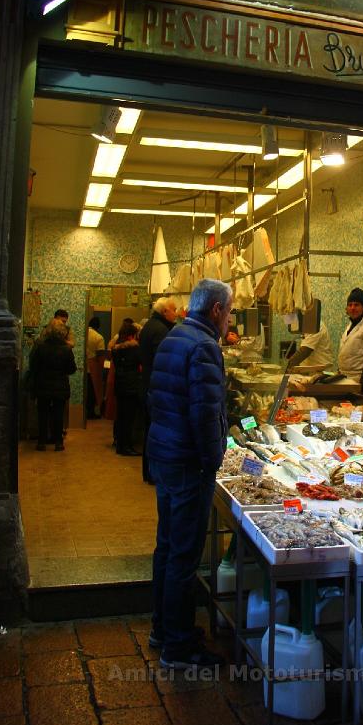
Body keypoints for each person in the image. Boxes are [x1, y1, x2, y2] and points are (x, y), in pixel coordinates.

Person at [147, 279, 233, 670]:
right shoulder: (204, 346)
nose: (229, 319)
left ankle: (163, 629)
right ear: (216, 310)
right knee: (183, 556)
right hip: (187, 465)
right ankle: (178, 648)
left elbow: (157, 399)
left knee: (167, 548)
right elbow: (204, 414)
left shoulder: (175, 336)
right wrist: (214, 460)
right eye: (229, 311)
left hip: (166, 455)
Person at [138, 297, 177, 482]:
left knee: (150, 431)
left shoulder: (150, 325)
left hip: (147, 383)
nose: (176, 313)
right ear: (164, 312)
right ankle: (154, 474)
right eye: (173, 310)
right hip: (156, 387)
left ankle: (149, 472)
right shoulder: (161, 330)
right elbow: (163, 361)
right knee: (157, 433)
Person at [29, 320, 77, 451]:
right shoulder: (66, 349)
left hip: (42, 385)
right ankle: (58, 442)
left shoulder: (41, 347)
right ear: (62, 333)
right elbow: (72, 369)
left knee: (42, 413)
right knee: (58, 414)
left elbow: (33, 366)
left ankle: (41, 442)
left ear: (48, 331)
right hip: (60, 386)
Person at [112, 323, 142, 456]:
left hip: (120, 384)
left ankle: (119, 444)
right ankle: (127, 446)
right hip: (131, 385)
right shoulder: (135, 349)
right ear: (131, 336)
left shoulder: (116, 350)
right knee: (129, 418)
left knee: (120, 416)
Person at [86, 317, 105, 418]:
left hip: (82, 368)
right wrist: (101, 369)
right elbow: (100, 355)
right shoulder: (98, 337)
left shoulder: (83, 334)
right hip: (93, 368)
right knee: (93, 391)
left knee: (85, 392)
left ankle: (84, 412)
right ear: (98, 326)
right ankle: (91, 412)